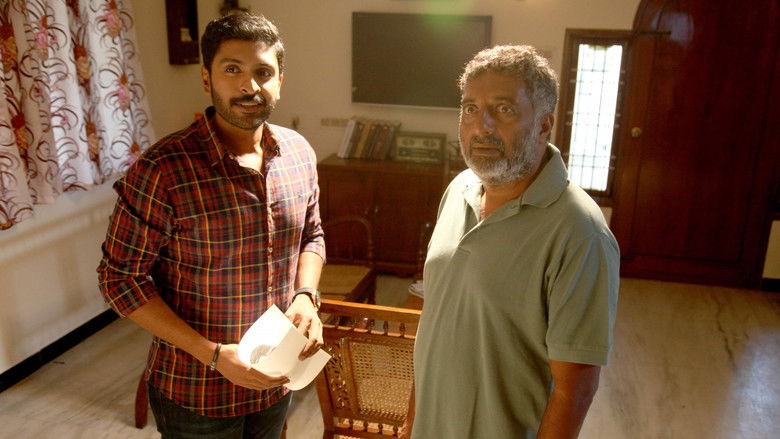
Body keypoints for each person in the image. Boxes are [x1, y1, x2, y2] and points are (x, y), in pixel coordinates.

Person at [97, 12, 325, 439]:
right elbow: (119, 280)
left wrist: (306, 296)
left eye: (263, 72)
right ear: (207, 79)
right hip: (196, 391)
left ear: (280, 81)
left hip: (277, 378)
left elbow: (312, 235)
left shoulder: (298, 153)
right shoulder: (163, 170)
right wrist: (215, 355)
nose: (249, 85)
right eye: (232, 69)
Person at [408, 45, 620, 439]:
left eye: (503, 109)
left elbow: (574, 390)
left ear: (543, 125)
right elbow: (435, 325)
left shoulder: (579, 232)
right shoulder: (459, 189)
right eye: (470, 109)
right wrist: (412, 420)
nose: (481, 126)